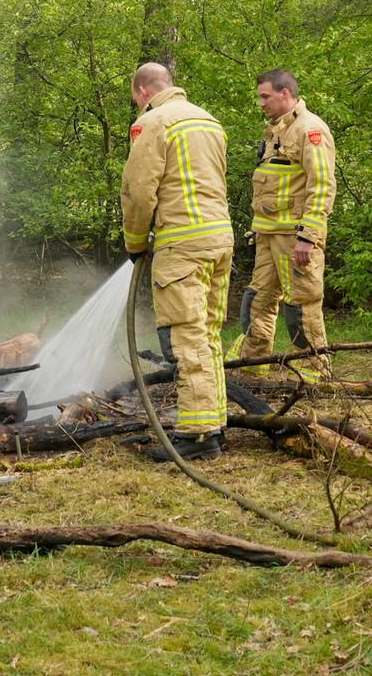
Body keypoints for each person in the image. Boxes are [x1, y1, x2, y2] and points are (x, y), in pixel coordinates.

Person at [121, 62, 234, 461]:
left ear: (141, 92)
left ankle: (200, 436)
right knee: (208, 335)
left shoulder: (153, 122)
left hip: (182, 246)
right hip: (219, 240)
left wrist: (135, 242)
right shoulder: (208, 121)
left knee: (186, 339)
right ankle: (216, 421)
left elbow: (138, 191)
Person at [231, 69, 336, 384]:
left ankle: (314, 374)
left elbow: (322, 187)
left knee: (300, 305)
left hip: (296, 239)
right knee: (257, 299)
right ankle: (252, 365)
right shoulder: (276, 131)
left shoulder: (310, 130)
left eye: (265, 96)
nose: (261, 103)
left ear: (286, 94)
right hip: (268, 235)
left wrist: (308, 237)